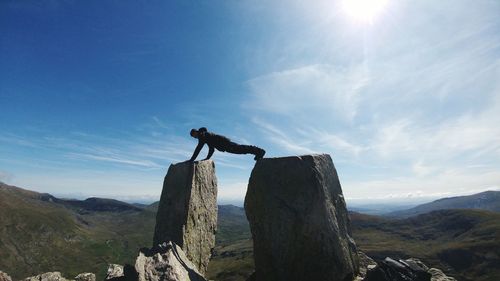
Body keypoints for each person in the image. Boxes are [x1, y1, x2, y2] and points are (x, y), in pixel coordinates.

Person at [188, 127, 265, 161]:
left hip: (225, 144)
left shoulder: (202, 135)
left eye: (193, 136)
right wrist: (207, 158)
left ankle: (259, 151)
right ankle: (257, 152)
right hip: (225, 145)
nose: (194, 138)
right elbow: (211, 148)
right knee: (241, 149)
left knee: (241, 149)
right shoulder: (204, 135)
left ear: (195, 132)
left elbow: (198, 149)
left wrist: (192, 159)